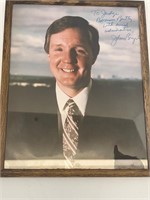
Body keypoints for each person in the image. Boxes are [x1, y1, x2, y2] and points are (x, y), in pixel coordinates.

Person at [5, 16, 147, 169]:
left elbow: (137, 169)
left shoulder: (128, 111)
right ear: (49, 56)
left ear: (94, 55)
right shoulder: (19, 109)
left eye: (79, 50)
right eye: (59, 49)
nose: (68, 59)